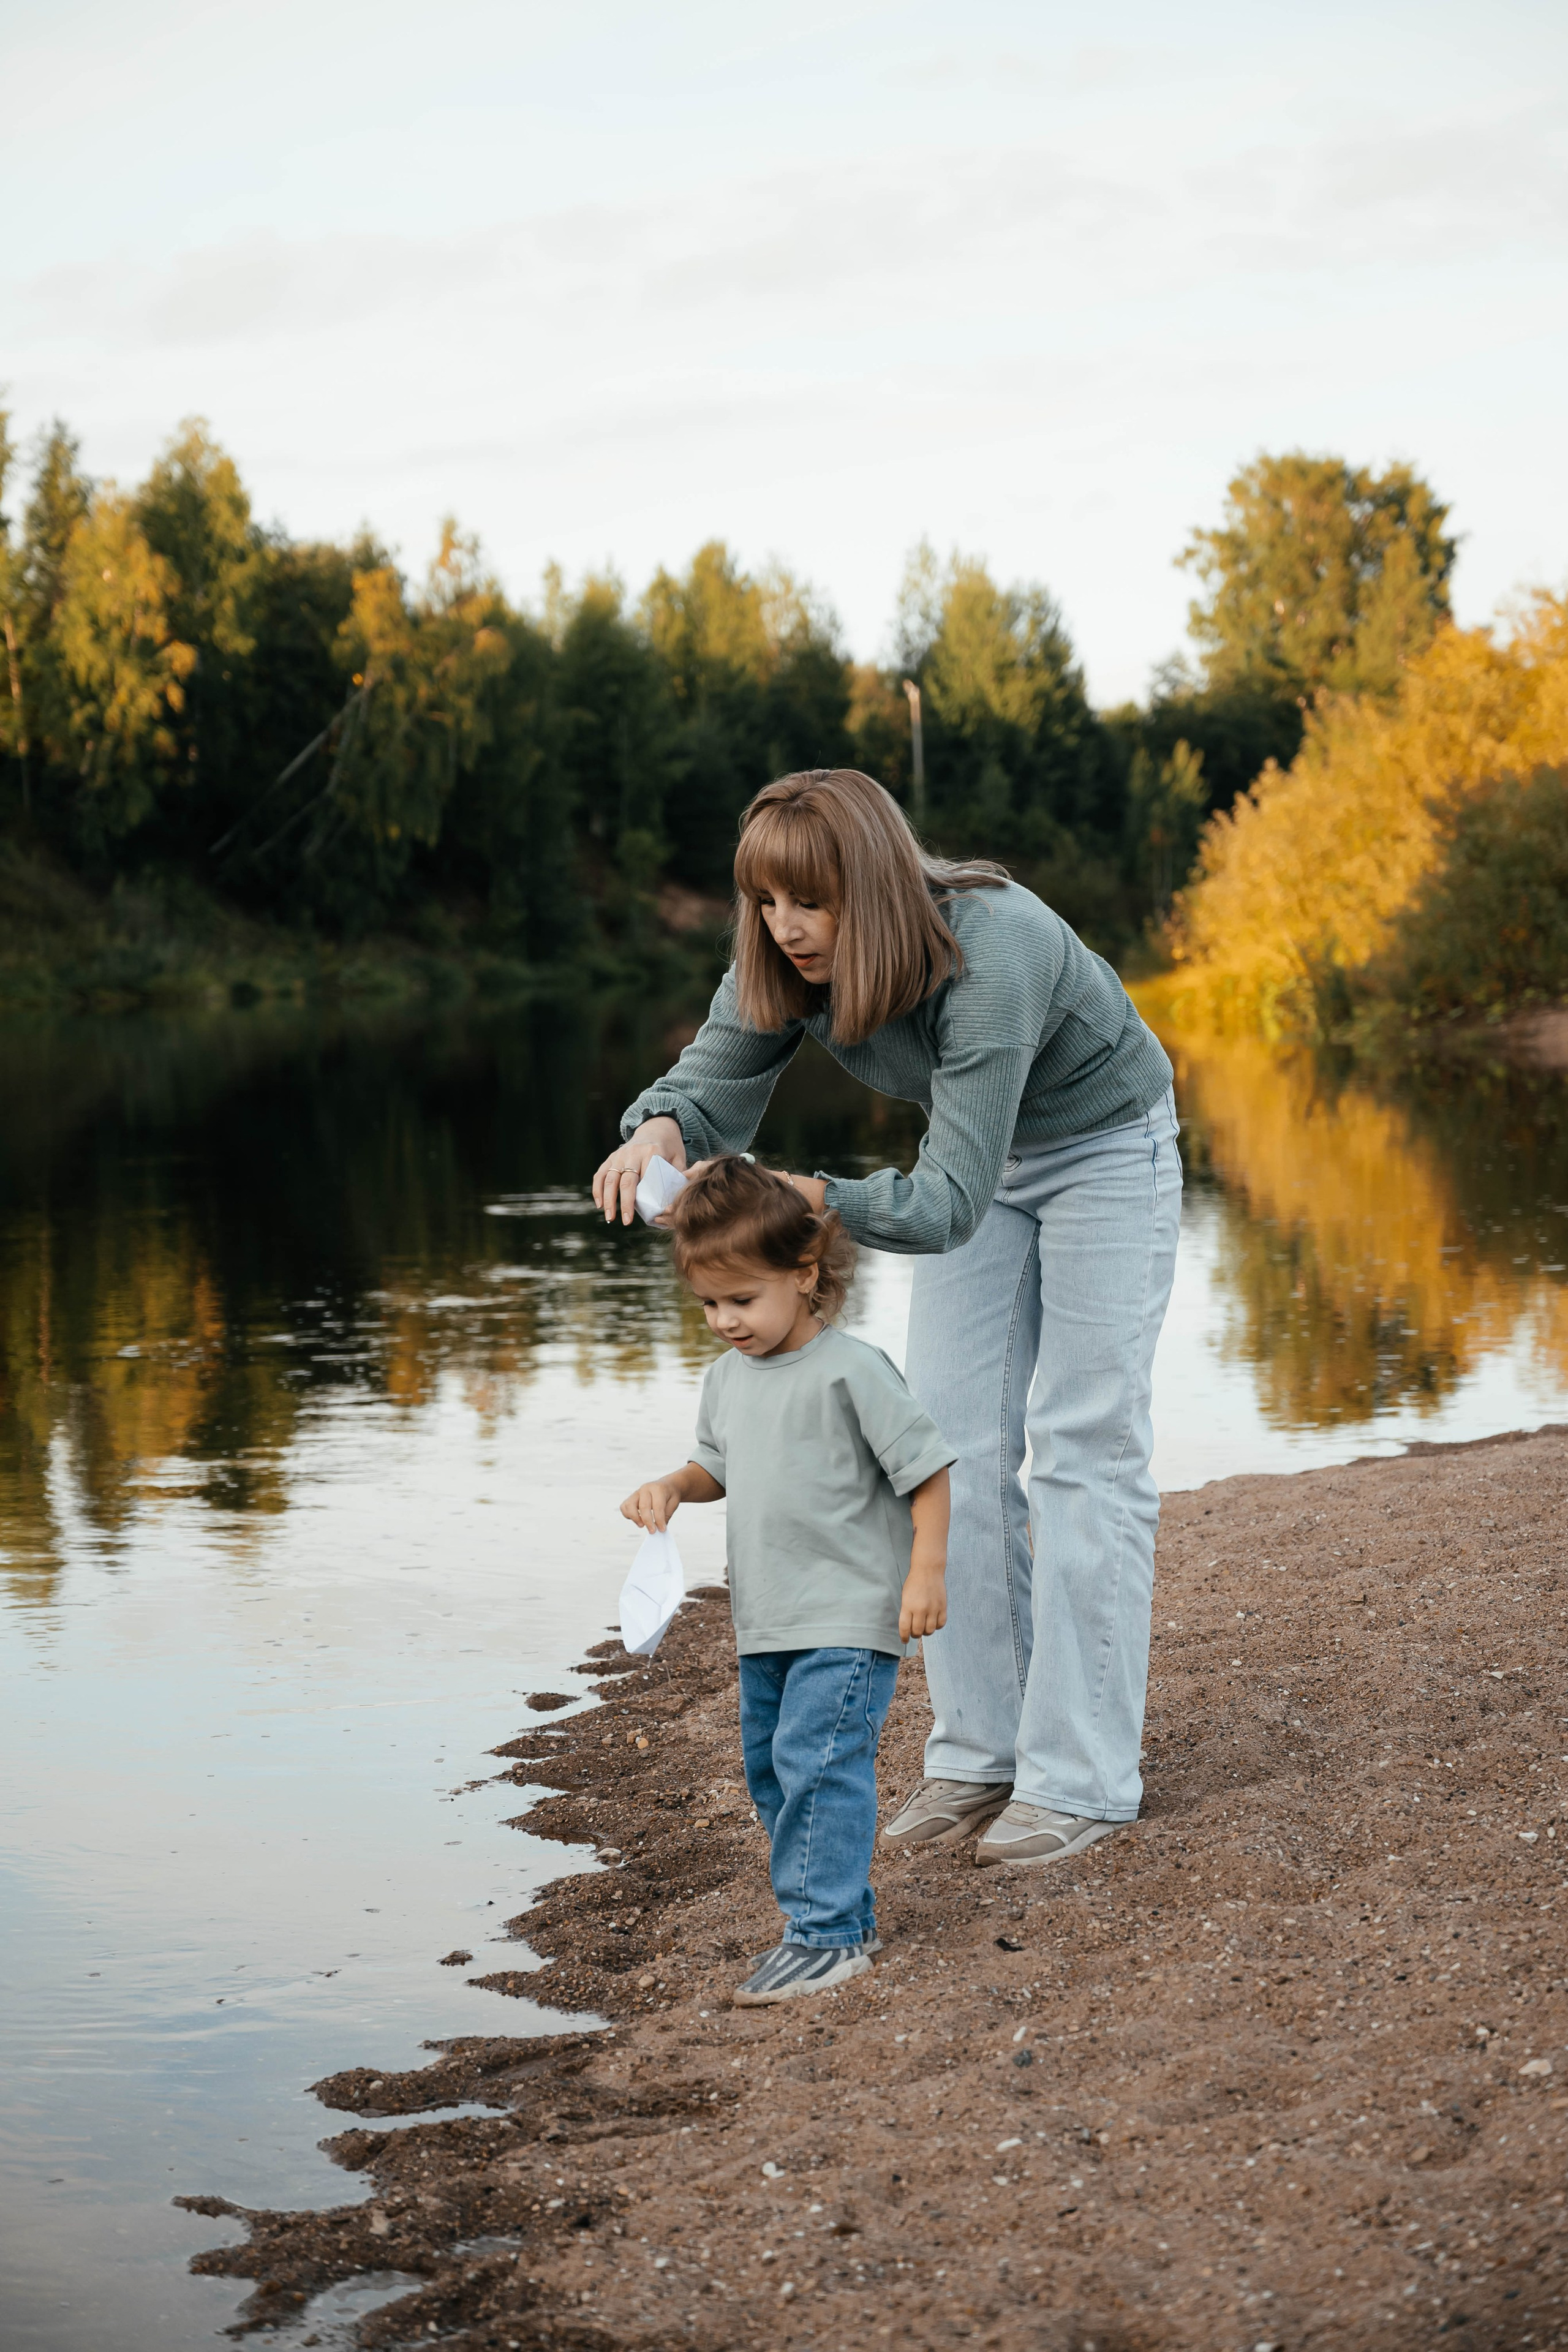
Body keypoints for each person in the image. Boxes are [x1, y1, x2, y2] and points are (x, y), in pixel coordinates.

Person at [594, 767, 1182, 1869]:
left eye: (808, 902)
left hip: (1104, 1144)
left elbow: (946, 1204)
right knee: (946, 1447)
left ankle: (1083, 1778)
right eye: (765, 902)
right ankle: (978, 1757)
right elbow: (713, 1075)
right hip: (979, 1155)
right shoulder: (780, 959)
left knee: (1081, 1451)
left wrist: (817, 1196)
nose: (785, 927)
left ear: (869, 885)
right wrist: (661, 1130)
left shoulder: (993, 950)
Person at [619, 1155, 954, 2004]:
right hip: (766, 1618)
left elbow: (928, 1471)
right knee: (774, 1773)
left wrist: (925, 1573)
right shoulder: (727, 1380)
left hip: (848, 1614)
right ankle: (846, 1915)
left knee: (821, 1764)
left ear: (806, 1276)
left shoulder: (853, 1371)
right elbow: (717, 1468)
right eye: (708, 1304)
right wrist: (671, 1487)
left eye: (742, 1300)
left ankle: (826, 1936)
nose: (725, 1321)